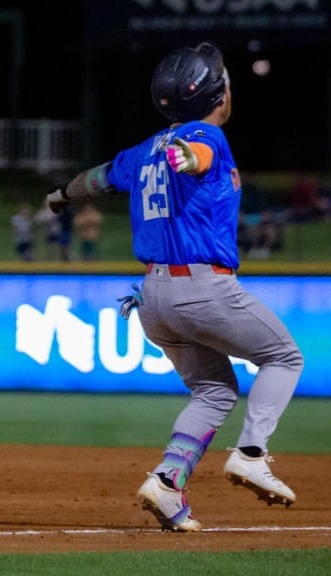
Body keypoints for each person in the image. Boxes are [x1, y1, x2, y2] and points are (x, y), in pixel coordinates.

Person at [44, 42, 303, 532]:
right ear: (218, 92)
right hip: (202, 288)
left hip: (153, 298)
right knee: (284, 358)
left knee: (213, 389)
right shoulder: (205, 134)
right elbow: (200, 153)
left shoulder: (144, 150)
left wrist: (61, 195)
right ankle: (250, 453)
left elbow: (98, 179)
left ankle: (166, 483)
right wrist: (192, 156)